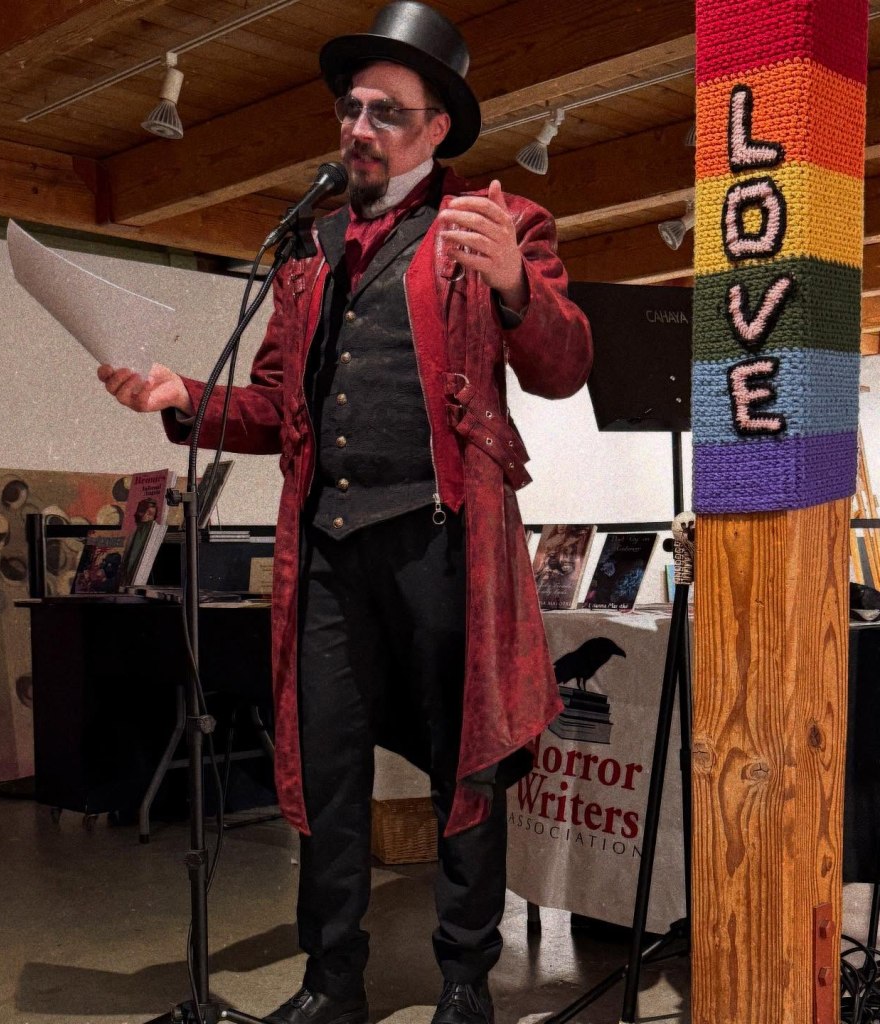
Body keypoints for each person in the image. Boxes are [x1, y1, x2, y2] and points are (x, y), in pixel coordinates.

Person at [98, 4, 592, 1023]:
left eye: (384, 111)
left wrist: (511, 285)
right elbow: (280, 407)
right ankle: (332, 982)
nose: (357, 127)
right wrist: (181, 396)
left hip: (444, 541)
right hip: (323, 550)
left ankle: (464, 981)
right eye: (349, 107)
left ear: (434, 129)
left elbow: (564, 363)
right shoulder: (310, 246)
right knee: (323, 769)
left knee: (467, 767)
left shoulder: (498, 223)